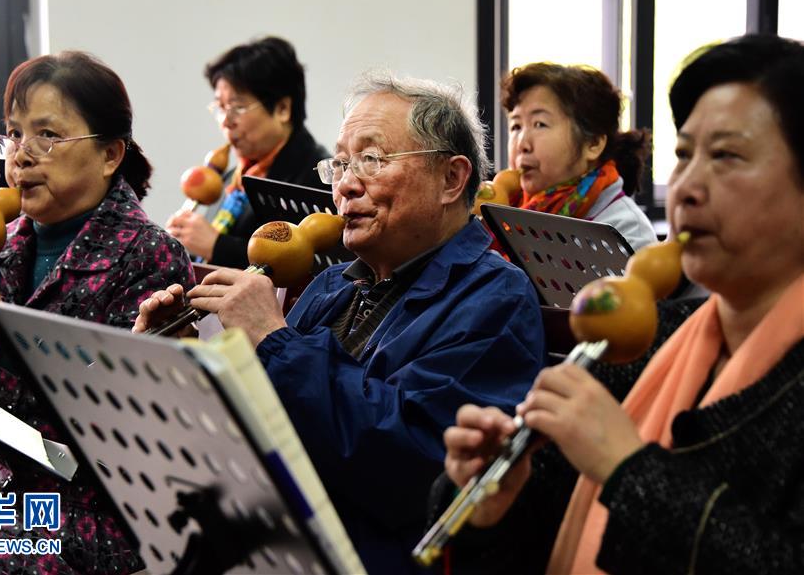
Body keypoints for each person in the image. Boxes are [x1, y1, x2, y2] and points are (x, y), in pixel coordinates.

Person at [135, 72, 546, 573]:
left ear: (451, 179)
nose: (346, 185)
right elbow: (255, 428)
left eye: (372, 160)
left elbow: (412, 469)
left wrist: (273, 338)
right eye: (343, 164)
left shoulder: (494, 298)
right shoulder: (334, 285)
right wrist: (182, 358)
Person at [439, 34, 804, 574]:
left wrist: (627, 469)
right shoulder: (639, 339)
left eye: (725, 155)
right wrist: (496, 508)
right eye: (683, 156)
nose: (685, 188)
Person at [0, 51, 194, 573]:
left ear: (110, 155)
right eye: (13, 135)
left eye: (47, 136)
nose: (22, 155)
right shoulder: (8, 240)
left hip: (94, 509)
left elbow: (103, 436)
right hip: (3, 494)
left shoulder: (150, 254)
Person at [166, 36, 330, 268]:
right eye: (221, 107)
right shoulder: (231, 179)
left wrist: (218, 246)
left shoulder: (317, 178)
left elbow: (307, 267)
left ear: (283, 109)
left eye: (238, 107)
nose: (225, 121)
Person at [501, 62, 657, 251]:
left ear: (593, 144)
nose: (522, 144)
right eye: (516, 126)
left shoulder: (627, 231)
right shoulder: (506, 211)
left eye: (540, 124)